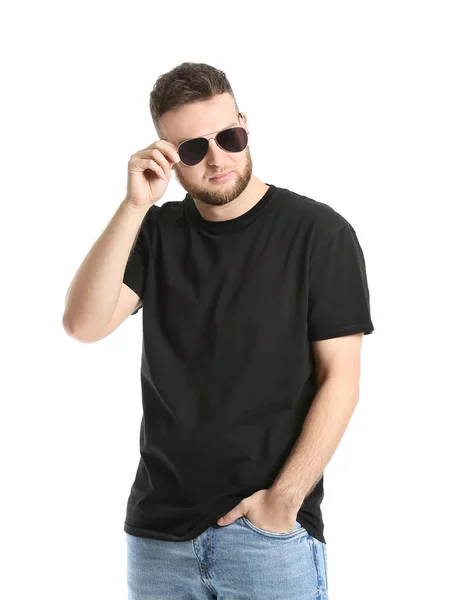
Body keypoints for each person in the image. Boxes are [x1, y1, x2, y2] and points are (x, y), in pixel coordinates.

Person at [63, 62, 374, 600]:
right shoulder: (154, 234)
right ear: (166, 154)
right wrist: (135, 205)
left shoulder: (319, 234)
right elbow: (83, 324)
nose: (216, 158)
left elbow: (340, 381)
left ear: (245, 125)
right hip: (158, 540)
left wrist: (283, 502)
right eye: (191, 149)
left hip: (268, 539)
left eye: (228, 137)